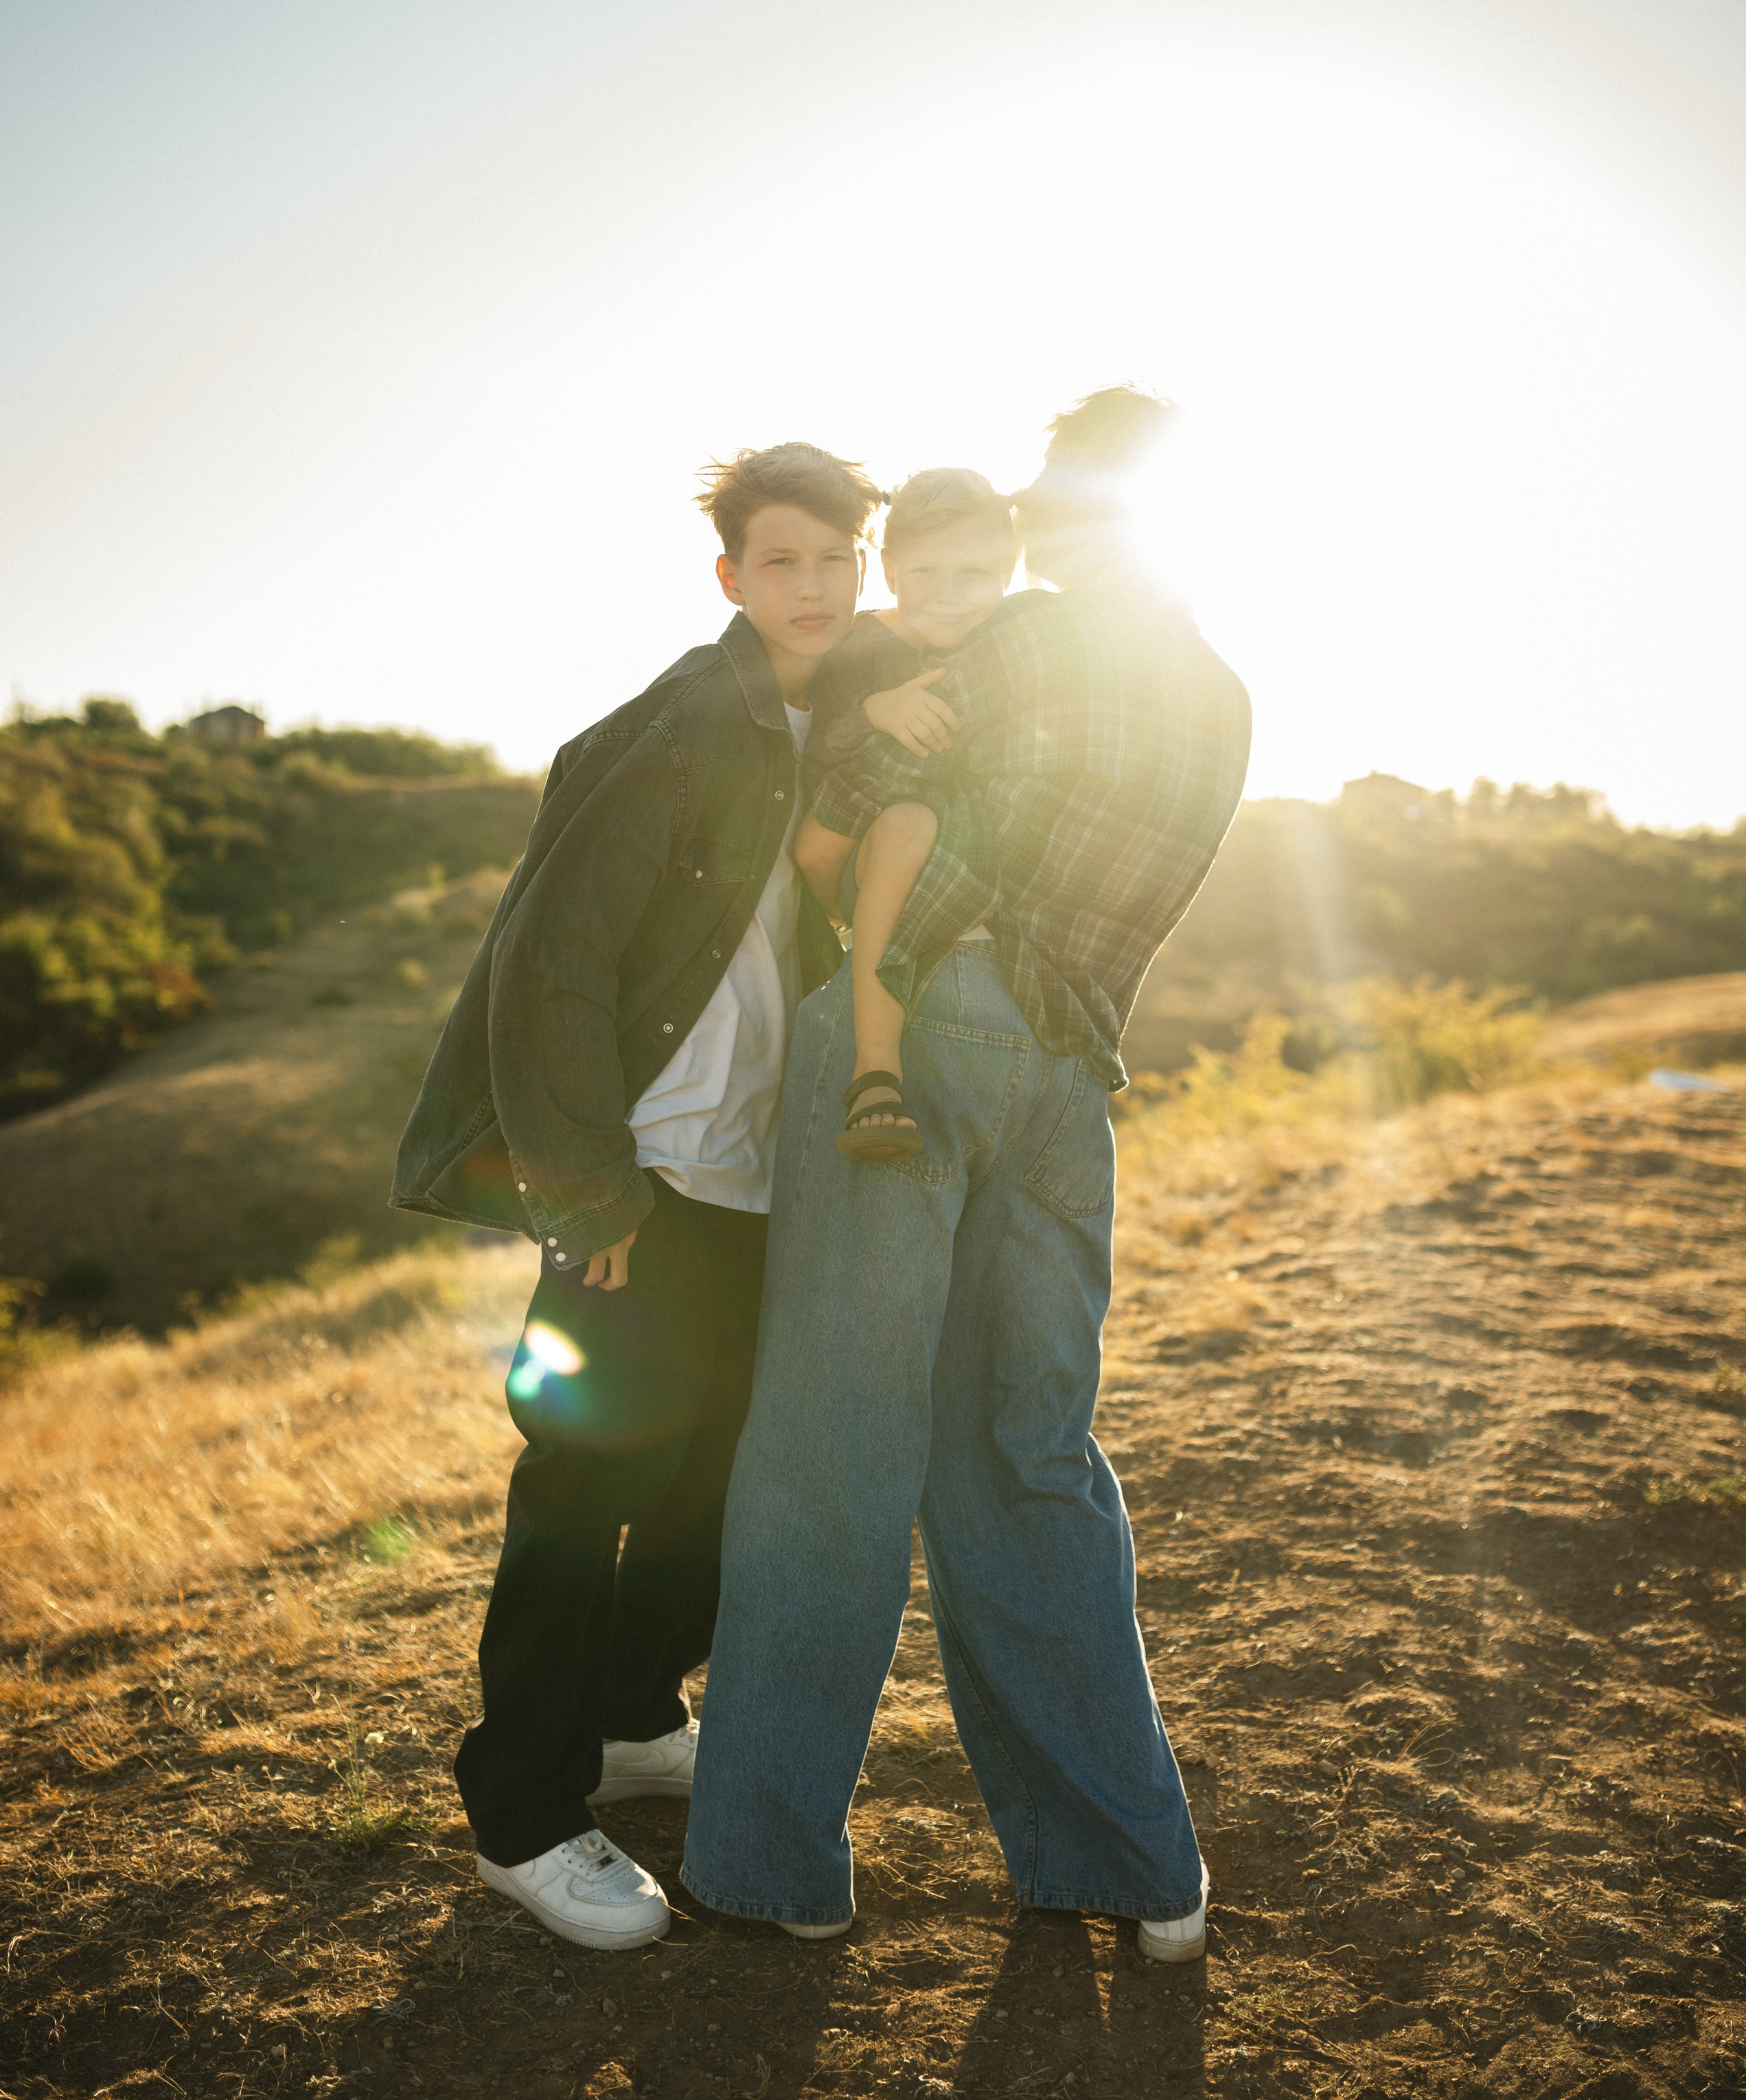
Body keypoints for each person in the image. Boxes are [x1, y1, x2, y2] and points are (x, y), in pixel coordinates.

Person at [680, 389, 1252, 1961]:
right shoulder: (1219, 697)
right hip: (1070, 1081)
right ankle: (1128, 1865)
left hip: (919, 1025)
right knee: (1029, 1451)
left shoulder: (1024, 643)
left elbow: (857, 809)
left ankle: (767, 1860)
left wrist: (870, 732)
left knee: (829, 1446)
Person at [391, 441, 877, 1949]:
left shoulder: (831, 726)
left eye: (834, 560)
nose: (812, 586)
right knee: (581, 1493)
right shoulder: (678, 728)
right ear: (732, 579)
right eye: (781, 561)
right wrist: (585, 1190)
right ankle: (523, 1813)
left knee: (704, 1484)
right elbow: (552, 965)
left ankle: (623, 1714)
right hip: (638, 1184)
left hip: (743, 1186)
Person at [791, 466, 1019, 1162]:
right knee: (907, 822)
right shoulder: (859, 642)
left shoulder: (1008, 647)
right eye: (927, 573)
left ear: (1008, 572)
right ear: (889, 572)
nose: (949, 596)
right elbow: (813, 744)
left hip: (945, 873)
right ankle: (875, 1074)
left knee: (923, 824)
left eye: (973, 573)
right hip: (847, 852)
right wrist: (872, 712)